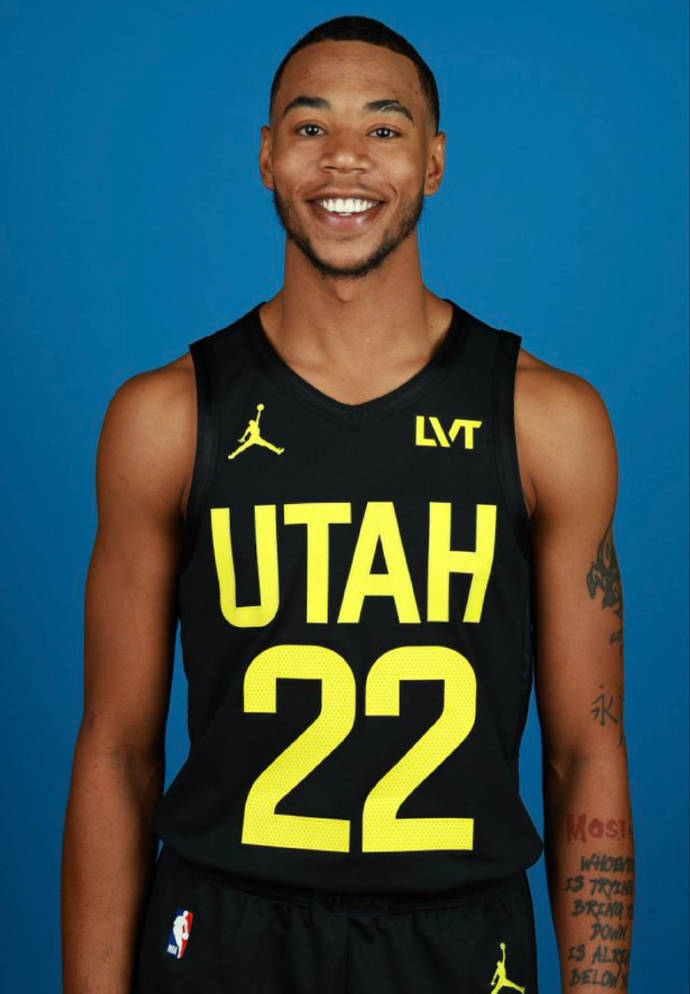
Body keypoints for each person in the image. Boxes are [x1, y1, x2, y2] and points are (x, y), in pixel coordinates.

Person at [61, 15, 634, 994]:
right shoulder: (167, 418)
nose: (345, 159)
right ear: (267, 157)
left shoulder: (548, 420)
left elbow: (586, 751)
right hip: (223, 934)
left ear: (433, 162)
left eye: (383, 128)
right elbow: (117, 750)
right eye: (310, 126)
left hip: (461, 943)